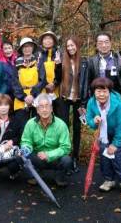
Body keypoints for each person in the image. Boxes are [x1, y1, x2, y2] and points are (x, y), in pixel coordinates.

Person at [85, 77, 121, 194]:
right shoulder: (91, 102)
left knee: (117, 153)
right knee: (104, 153)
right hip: (104, 133)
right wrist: (94, 121)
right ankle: (109, 180)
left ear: (109, 91)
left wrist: (115, 144)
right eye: (98, 91)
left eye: (104, 91)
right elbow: (89, 121)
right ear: (94, 92)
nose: (101, 94)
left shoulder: (118, 104)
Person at [19, 94, 72, 187]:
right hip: (38, 157)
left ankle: (59, 177)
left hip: (55, 158)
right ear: (37, 110)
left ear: (51, 108)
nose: (44, 109)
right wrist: (26, 148)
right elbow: (26, 141)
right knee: (25, 155)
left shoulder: (61, 125)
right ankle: (36, 174)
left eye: (47, 106)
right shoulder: (30, 124)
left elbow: (66, 147)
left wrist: (49, 155)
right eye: (41, 107)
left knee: (67, 160)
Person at [53, 37, 88, 172]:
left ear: (77, 46)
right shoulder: (62, 61)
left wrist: (84, 102)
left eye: (72, 45)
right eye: (68, 46)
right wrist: (57, 65)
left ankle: (75, 157)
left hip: (79, 99)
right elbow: (57, 79)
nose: (70, 48)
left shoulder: (84, 61)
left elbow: (86, 81)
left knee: (77, 129)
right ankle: (65, 155)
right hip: (64, 97)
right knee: (64, 127)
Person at [10, 37, 46, 129]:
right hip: (21, 98)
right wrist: (24, 97)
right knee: (22, 127)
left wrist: (33, 95)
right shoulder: (16, 63)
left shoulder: (39, 62)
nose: (27, 49)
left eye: (29, 46)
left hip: (37, 97)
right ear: (21, 49)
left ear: (33, 48)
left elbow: (42, 79)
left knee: (38, 126)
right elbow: (14, 82)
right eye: (24, 47)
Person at [86, 32, 121, 96]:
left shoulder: (119, 58)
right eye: (100, 43)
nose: (104, 45)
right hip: (99, 97)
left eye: (106, 42)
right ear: (96, 45)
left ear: (110, 43)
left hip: (117, 96)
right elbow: (88, 82)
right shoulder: (91, 61)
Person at [38, 31, 62, 101]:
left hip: (57, 90)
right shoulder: (38, 55)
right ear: (42, 42)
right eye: (45, 39)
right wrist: (45, 85)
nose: (47, 41)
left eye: (50, 38)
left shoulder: (59, 54)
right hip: (42, 90)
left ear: (54, 41)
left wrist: (54, 84)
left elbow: (63, 73)